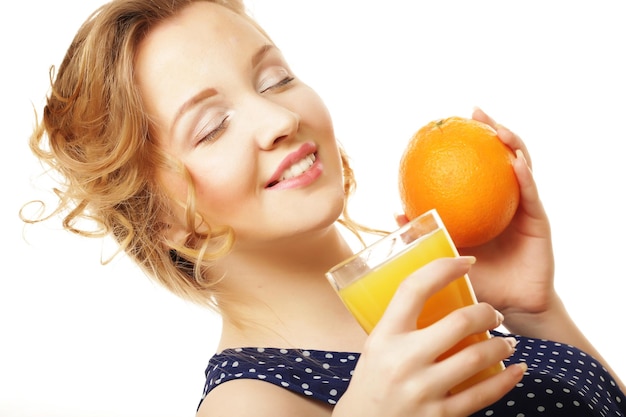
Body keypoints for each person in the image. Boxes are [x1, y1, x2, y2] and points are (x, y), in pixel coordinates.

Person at [23, 0, 626, 416]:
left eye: (274, 79)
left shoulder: (433, 303)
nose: (281, 120)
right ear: (165, 221)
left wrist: (536, 313)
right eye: (211, 128)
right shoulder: (249, 403)